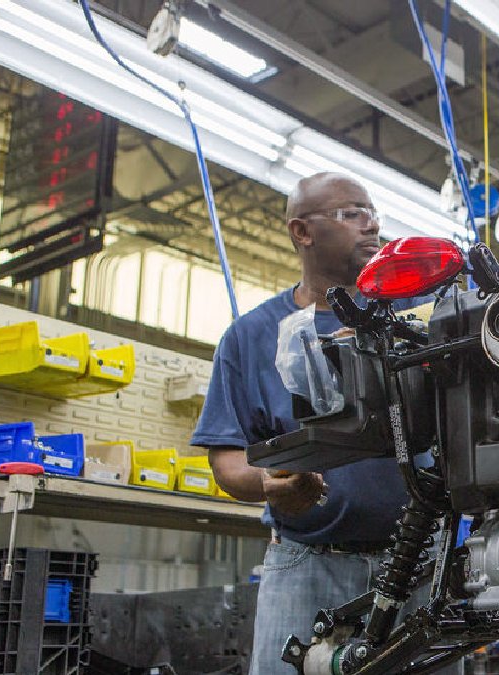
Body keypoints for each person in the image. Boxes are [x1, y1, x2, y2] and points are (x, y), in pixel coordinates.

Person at [191, 172, 432, 673]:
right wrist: (269, 484)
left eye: (372, 214)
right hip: (308, 565)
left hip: (419, 568)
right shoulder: (250, 337)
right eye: (351, 213)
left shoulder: (413, 314)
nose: (371, 226)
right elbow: (227, 458)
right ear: (302, 232)